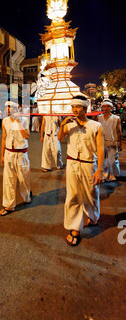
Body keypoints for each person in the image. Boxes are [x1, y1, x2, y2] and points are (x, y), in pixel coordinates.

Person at [57, 95, 104, 246]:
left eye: (77, 107)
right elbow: (59, 138)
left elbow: (101, 149)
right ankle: (75, 228)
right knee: (73, 195)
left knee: (91, 193)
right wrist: (63, 124)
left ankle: (93, 215)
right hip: (72, 164)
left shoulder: (96, 126)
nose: (74, 110)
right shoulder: (69, 124)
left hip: (89, 164)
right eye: (72, 107)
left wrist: (99, 171)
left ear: (85, 108)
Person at [0, 101, 32, 216]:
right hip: (9, 153)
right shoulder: (5, 121)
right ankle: (9, 205)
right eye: (7, 107)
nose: (9, 109)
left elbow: (26, 135)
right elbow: (4, 138)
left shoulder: (24, 120)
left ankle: (27, 196)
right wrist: (2, 155)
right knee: (8, 180)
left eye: (11, 107)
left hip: (21, 154)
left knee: (24, 179)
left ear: (17, 108)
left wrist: (18, 122)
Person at [97, 99, 122, 181]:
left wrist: (120, 143)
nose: (106, 108)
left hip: (112, 141)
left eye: (108, 106)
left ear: (111, 107)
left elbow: (119, 131)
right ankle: (104, 176)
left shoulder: (116, 118)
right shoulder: (98, 118)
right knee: (102, 160)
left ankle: (112, 175)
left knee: (112, 160)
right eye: (104, 106)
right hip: (101, 142)